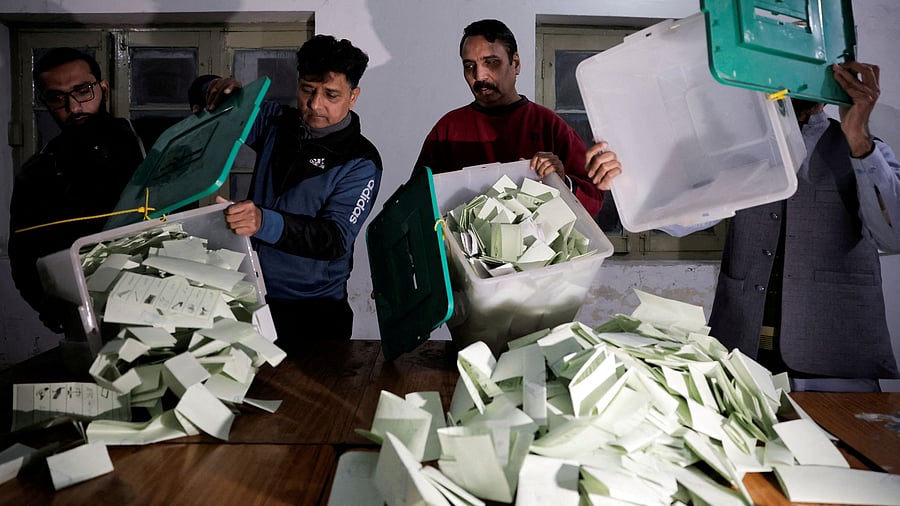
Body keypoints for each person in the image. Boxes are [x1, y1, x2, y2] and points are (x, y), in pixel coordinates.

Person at [668, 61, 900, 392]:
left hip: (835, 357)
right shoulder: (739, 152)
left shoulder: (866, 150)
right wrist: (626, 180)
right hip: (741, 353)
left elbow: (893, 235)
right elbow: (678, 222)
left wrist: (858, 140)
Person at [204, 35, 382, 346]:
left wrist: (262, 221)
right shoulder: (276, 122)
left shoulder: (361, 161)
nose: (315, 105)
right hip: (250, 296)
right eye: (307, 91)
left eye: (331, 95)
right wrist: (219, 86)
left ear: (353, 97)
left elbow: (334, 238)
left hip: (315, 314)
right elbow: (226, 105)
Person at [414, 19, 621, 217]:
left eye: (491, 62)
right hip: (460, 253)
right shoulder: (447, 130)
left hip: (542, 253)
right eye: (469, 66)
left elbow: (593, 199)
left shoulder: (549, 125)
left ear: (516, 63)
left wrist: (560, 182)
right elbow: (416, 204)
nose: (479, 76)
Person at [9, 47, 145, 333]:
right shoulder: (37, 172)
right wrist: (54, 312)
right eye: (57, 98)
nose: (73, 107)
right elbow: (23, 255)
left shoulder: (147, 143)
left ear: (103, 88)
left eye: (82, 91)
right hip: (85, 320)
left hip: (163, 303)